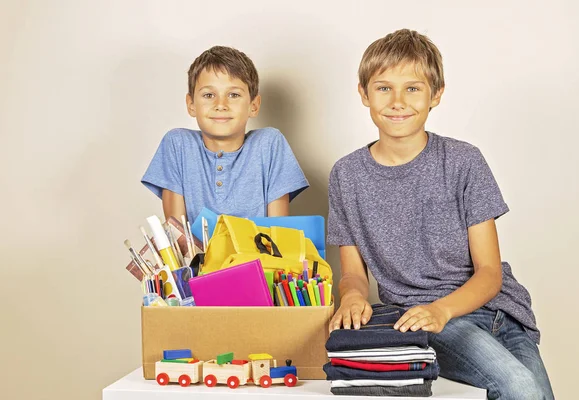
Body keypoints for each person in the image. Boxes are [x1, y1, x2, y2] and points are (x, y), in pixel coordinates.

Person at [327, 29, 554, 399]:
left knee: (535, 395)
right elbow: (353, 272)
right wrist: (353, 296)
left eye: (413, 88)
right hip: (426, 318)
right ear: (363, 93)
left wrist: (443, 310)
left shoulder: (464, 161)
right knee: (520, 388)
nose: (398, 101)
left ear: (436, 94)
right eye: (384, 88)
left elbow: (490, 272)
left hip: (498, 312)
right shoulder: (347, 174)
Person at [142, 46, 308, 223]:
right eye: (209, 95)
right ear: (191, 104)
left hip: (258, 251)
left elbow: (278, 231)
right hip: (195, 252)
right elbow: (178, 235)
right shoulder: (178, 144)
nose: (221, 104)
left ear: (254, 105)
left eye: (234, 94)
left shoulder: (269, 144)